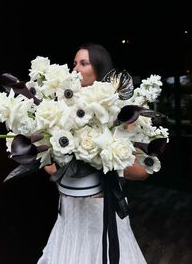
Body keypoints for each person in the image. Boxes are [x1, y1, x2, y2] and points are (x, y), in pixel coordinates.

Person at [37, 43, 148, 264]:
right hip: (70, 211)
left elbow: (142, 171)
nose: (76, 68)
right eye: (74, 63)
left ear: (99, 68)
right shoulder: (60, 111)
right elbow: (47, 165)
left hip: (102, 213)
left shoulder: (122, 113)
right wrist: (65, 166)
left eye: (84, 63)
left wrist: (104, 158)